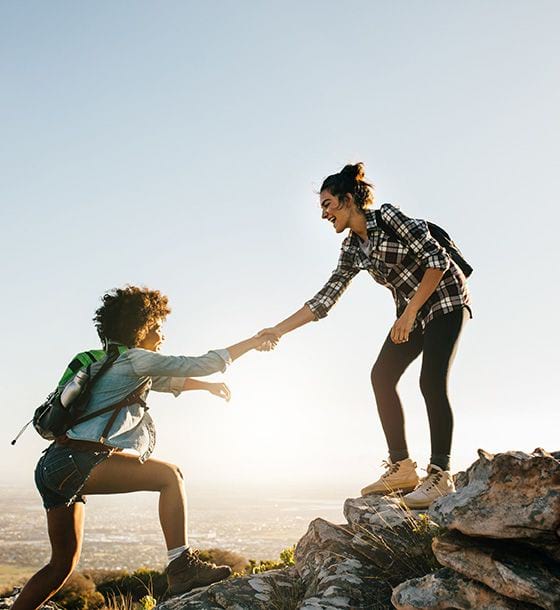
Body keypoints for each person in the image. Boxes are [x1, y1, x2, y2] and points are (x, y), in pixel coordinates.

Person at [14, 285, 277, 610]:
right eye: (157, 327)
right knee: (170, 476)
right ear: (141, 327)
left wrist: (206, 388)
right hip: (78, 462)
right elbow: (201, 363)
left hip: (53, 467)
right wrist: (252, 342)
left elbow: (170, 382)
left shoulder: (110, 363)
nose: (162, 334)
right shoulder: (137, 360)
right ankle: (180, 567)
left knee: (61, 566)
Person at [258, 163, 471, 509]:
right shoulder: (353, 249)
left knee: (430, 381)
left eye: (327, 204)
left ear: (346, 200)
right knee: (381, 376)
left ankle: (440, 475)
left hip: (445, 300)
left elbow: (438, 260)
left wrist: (409, 312)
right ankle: (401, 467)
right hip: (411, 314)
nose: (324, 214)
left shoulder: (388, 217)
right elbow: (324, 299)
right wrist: (277, 330)